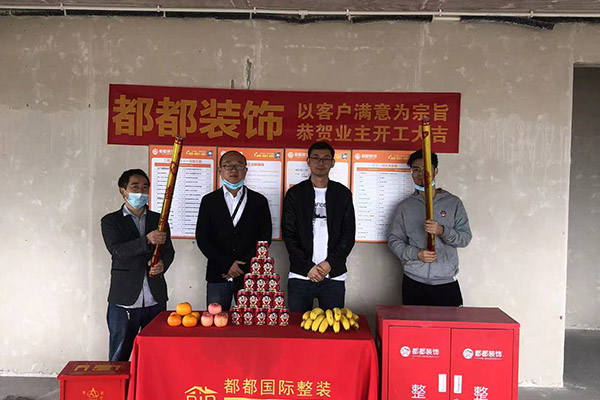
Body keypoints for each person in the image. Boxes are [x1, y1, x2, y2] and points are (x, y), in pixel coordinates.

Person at [101, 169, 175, 361]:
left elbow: (169, 251)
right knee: (119, 356)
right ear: (123, 191)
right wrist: (147, 240)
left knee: (155, 355)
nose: (141, 192)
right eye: (135, 187)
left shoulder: (159, 220)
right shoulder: (111, 221)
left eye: (145, 187)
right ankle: (121, 382)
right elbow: (117, 250)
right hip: (124, 300)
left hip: (155, 299)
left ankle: (147, 382)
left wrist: (162, 265)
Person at [388, 150, 472, 306]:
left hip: (446, 282)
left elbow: (465, 238)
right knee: (413, 322)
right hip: (413, 281)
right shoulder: (405, 207)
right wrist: (416, 254)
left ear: (436, 171)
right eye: (416, 169)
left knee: (448, 322)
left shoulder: (453, 203)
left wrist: (442, 231)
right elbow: (394, 241)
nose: (421, 174)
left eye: (426, 169)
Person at [282, 141, 356, 313]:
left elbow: (348, 234)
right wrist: (308, 266)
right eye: (315, 158)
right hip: (300, 275)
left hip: (333, 276)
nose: (320, 163)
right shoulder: (295, 194)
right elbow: (289, 234)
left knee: (332, 326)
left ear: (333, 162)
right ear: (308, 161)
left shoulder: (342, 194)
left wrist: (330, 264)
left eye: (325, 159)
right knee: (297, 326)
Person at [195, 150, 272, 311]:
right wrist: (227, 264)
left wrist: (241, 266)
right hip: (218, 274)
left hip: (249, 274)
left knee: (249, 323)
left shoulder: (259, 201)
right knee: (216, 320)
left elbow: (265, 238)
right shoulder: (209, 201)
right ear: (220, 171)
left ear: (246, 171)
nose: (233, 170)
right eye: (228, 166)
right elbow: (203, 238)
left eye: (239, 166)